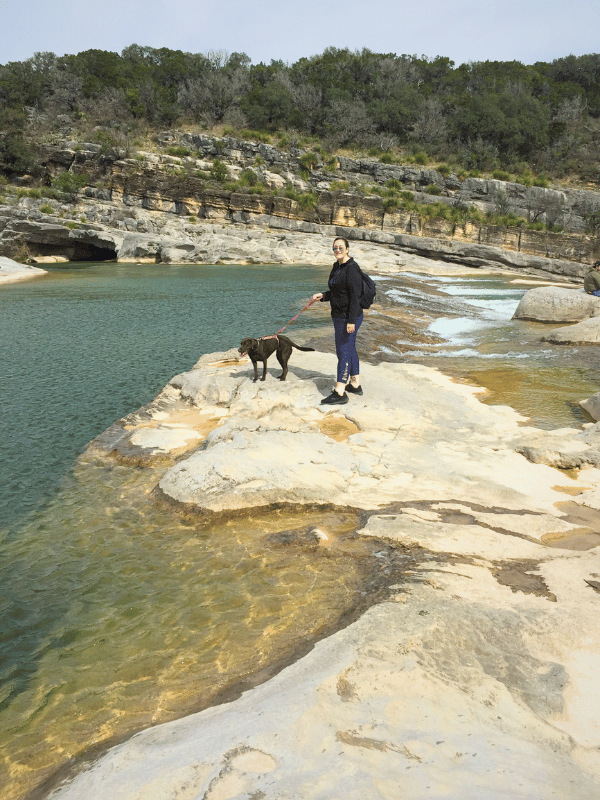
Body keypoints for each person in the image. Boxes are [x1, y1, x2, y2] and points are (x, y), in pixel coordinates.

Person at [312, 237, 364, 405]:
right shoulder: (337, 266)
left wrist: (351, 321)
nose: (337, 250)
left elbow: (355, 298)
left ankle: (340, 391)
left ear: (347, 249)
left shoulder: (352, 269)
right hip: (339, 315)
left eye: (341, 247)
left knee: (343, 351)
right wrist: (323, 296)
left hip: (349, 317)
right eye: (335, 248)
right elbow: (337, 292)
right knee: (349, 348)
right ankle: (355, 384)